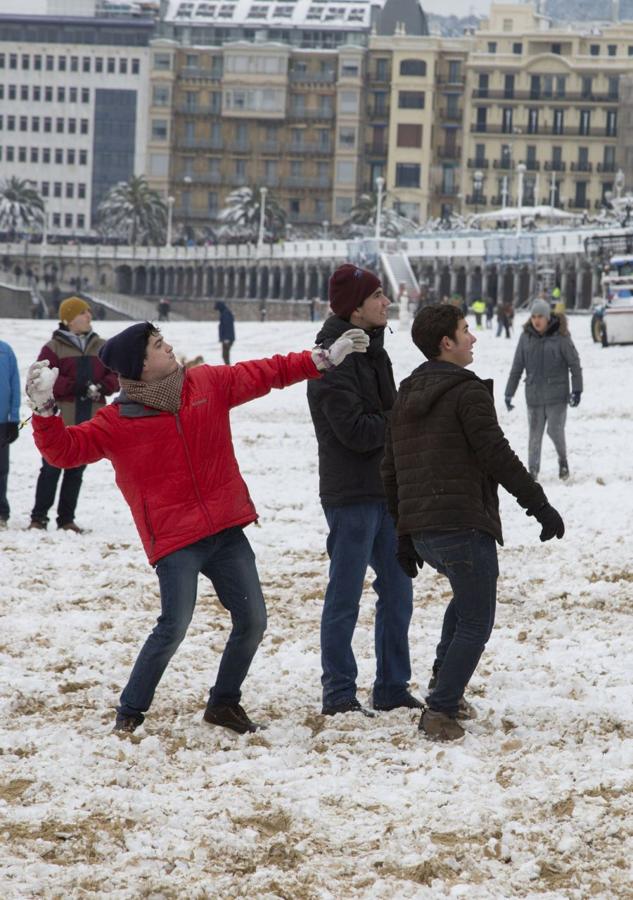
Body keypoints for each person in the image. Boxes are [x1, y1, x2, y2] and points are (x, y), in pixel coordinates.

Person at [26, 321, 369, 735]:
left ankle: (224, 703)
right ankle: (130, 712)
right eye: (158, 345)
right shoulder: (116, 423)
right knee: (174, 624)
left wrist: (321, 359)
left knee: (253, 621)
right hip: (175, 541)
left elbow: (266, 372)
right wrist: (45, 410)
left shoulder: (205, 383)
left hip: (225, 529)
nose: (168, 347)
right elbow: (63, 452)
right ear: (140, 364)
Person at [381, 303, 565, 741]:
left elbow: (390, 469)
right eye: (466, 330)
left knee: (465, 603)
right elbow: (497, 455)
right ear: (446, 343)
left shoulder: (406, 392)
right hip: (461, 524)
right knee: (477, 620)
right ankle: (440, 709)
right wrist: (539, 505)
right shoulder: (466, 392)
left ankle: (445, 686)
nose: (473, 337)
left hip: (426, 531)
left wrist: (405, 536)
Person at [307, 264, 421, 718]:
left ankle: (392, 686)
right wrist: (405, 419)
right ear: (355, 307)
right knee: (345, 594)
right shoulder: (330, 358)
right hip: (349, 492)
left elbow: (385, 417)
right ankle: (338, 692)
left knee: (399, 589)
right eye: (378, 296)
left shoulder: (375, 350)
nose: (387, 302)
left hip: (384, 489)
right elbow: (354, 431)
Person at [29, 295, 119, 533]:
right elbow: (43, 382)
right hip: (63, 418)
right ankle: (38, 518)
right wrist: (77, 386)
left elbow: (116, 376)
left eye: (89, 312)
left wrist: (102, 387)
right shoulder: (53, 347)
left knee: (77, 469)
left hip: (90, 418)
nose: (88, 316)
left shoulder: (102, 346)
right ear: (68, 319)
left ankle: (66, 519)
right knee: (50, 467)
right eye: (82, 312)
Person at [504, 298, 583, 480]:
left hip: (557, 396)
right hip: (534, 396)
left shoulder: (561, 336)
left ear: (547, 318)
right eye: (533, 316)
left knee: (555, 431)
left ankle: (563, 461)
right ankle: (532, 472)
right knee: (534, 436)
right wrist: (509, 392)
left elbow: (574, 364)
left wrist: (577, 390)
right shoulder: (525, 338)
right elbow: (517, 367)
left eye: (540, 316)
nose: (536, 320)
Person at [0, 339, 20, 528]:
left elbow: (14, 385)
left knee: (1, 469)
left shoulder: (5, 351)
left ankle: (1, 513)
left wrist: (14, 419)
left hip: (2, 422)